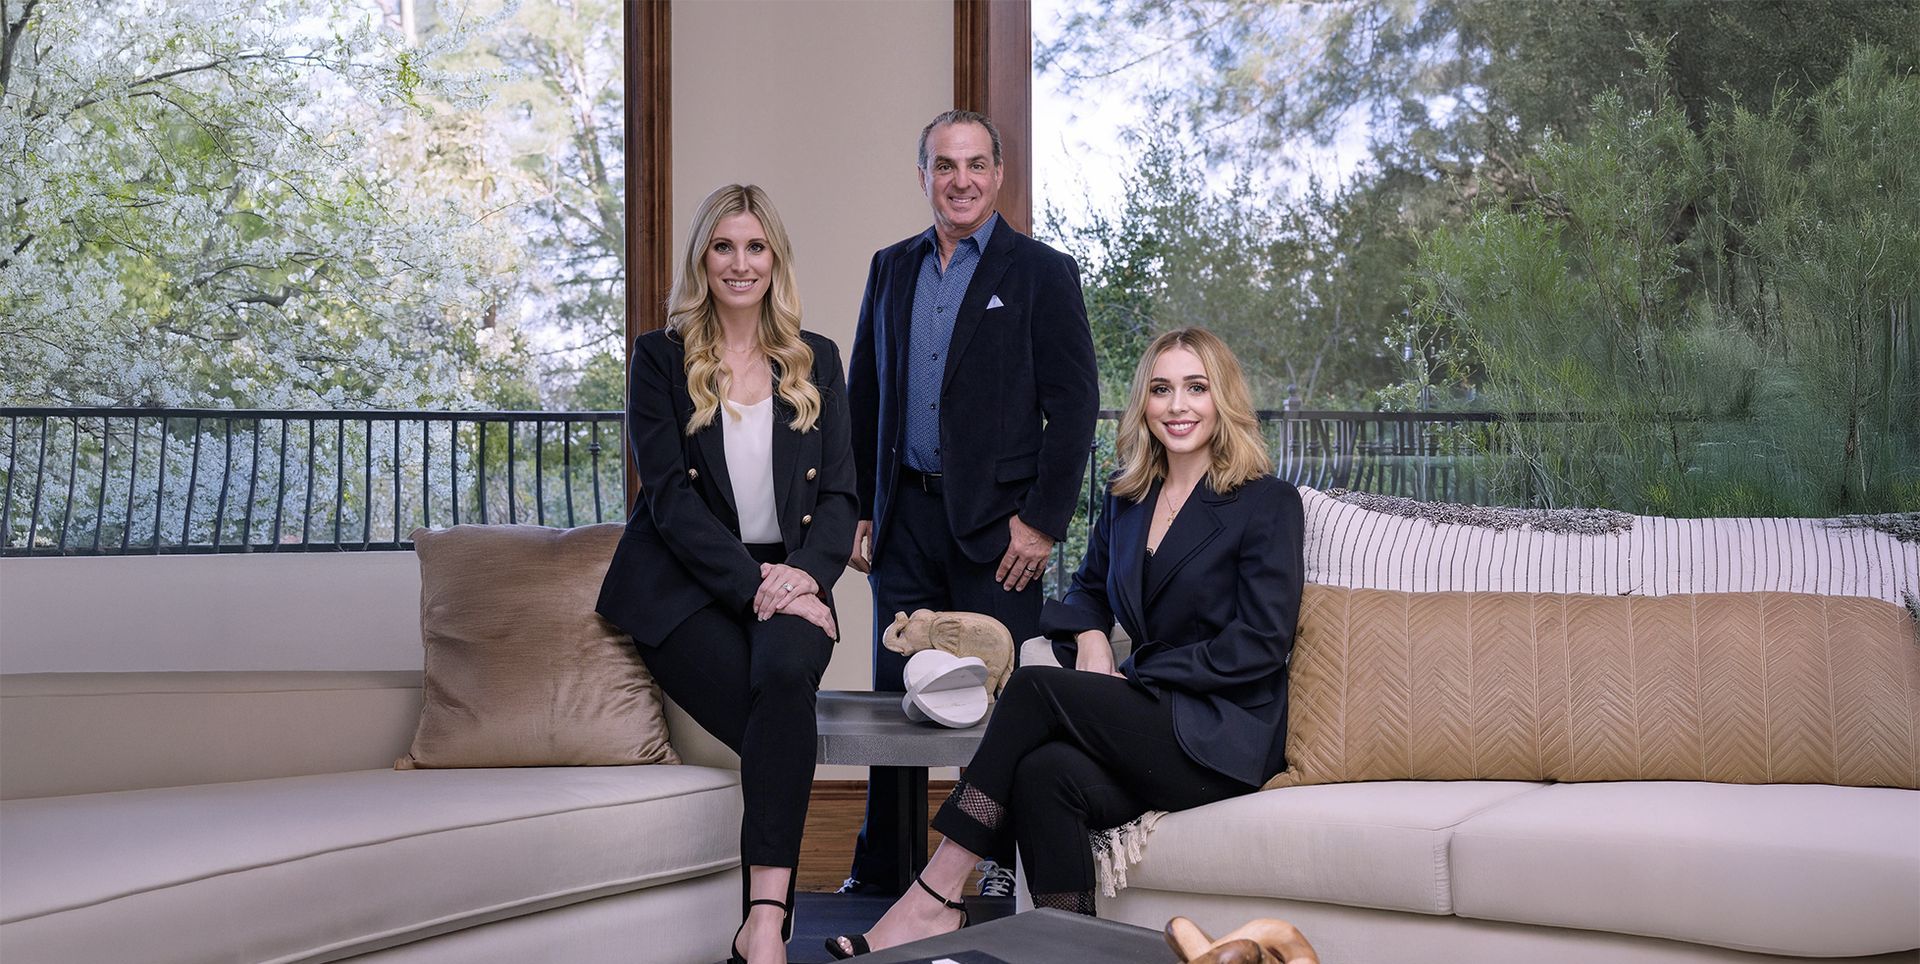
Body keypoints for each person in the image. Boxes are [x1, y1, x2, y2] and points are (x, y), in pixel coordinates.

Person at [827, 327, 1305, 958]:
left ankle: (933, 898)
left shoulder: (1266, 502)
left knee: (1032, 687)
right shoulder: (1128, 498)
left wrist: (1140, 674)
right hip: (1155, 718)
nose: (1178, 405)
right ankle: (1066, 950)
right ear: (1144, 403)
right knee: (1043, 774)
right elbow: (1084, 593)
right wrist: (1090, 637)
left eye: (1196, 388)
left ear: (1224, 400)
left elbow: (1262, 644)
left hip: (1223, 731)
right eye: (1161, 390)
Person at [842, 108, 1099, 896]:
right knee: (899, 701)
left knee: (996, 701)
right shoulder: (891, 267)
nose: (961, 181)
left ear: (999, 174)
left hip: (1000, 529)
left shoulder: (1041, 272)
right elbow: (865, 393)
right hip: (904, 517)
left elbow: (1077, 402)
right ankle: (884, 862)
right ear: (923, 175)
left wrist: (1043, 523)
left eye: (976, 165)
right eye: (944, 166)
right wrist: (859, 505)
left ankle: (994, 862)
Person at [596, 184, 854, 964]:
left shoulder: (818, 361)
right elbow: (668, 500)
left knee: (783, 682)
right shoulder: (659, 358)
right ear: (701, 259)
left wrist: (799, 579)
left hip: (794, 586)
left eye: (754, 247)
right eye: (723, 247)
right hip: (684, 587)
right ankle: (769, 926)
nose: (739, 264)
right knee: (784, 724)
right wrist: (756, 586)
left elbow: (841, 497)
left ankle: (761, 924)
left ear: (775, 259)